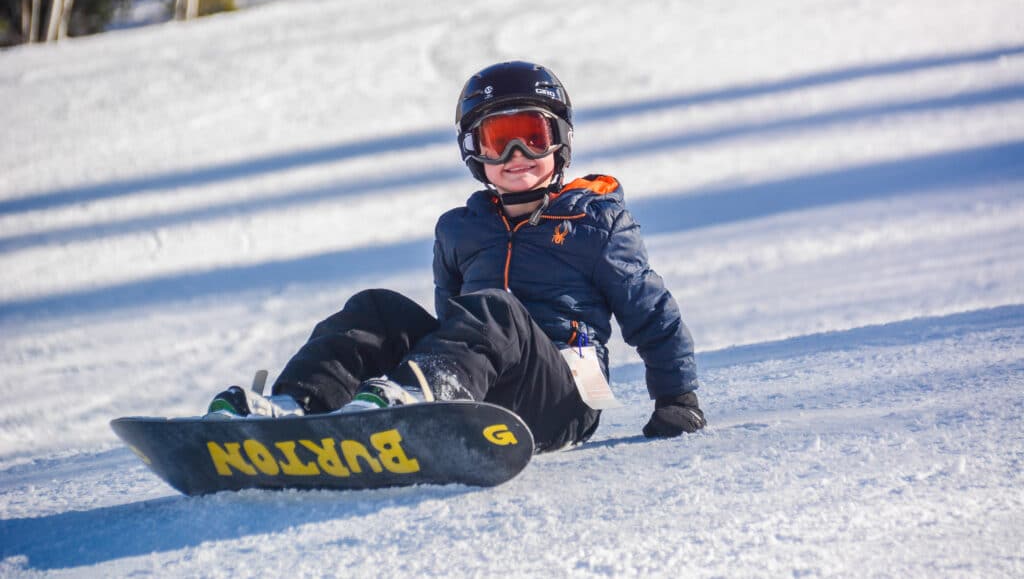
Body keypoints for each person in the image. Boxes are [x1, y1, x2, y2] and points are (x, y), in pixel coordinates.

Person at [208, 61, 705, 451]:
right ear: (475, 153)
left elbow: (652, 314)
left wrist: (676, 399)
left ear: (560, 143)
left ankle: (418, 399)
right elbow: (454, 325)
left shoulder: (595, 223)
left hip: (565, 397)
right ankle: (297, 405)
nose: (515, 156)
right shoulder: (459, 230)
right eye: (496, 141)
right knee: (377, 308)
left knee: (497, 308)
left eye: (532, 137)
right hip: (484, 391)